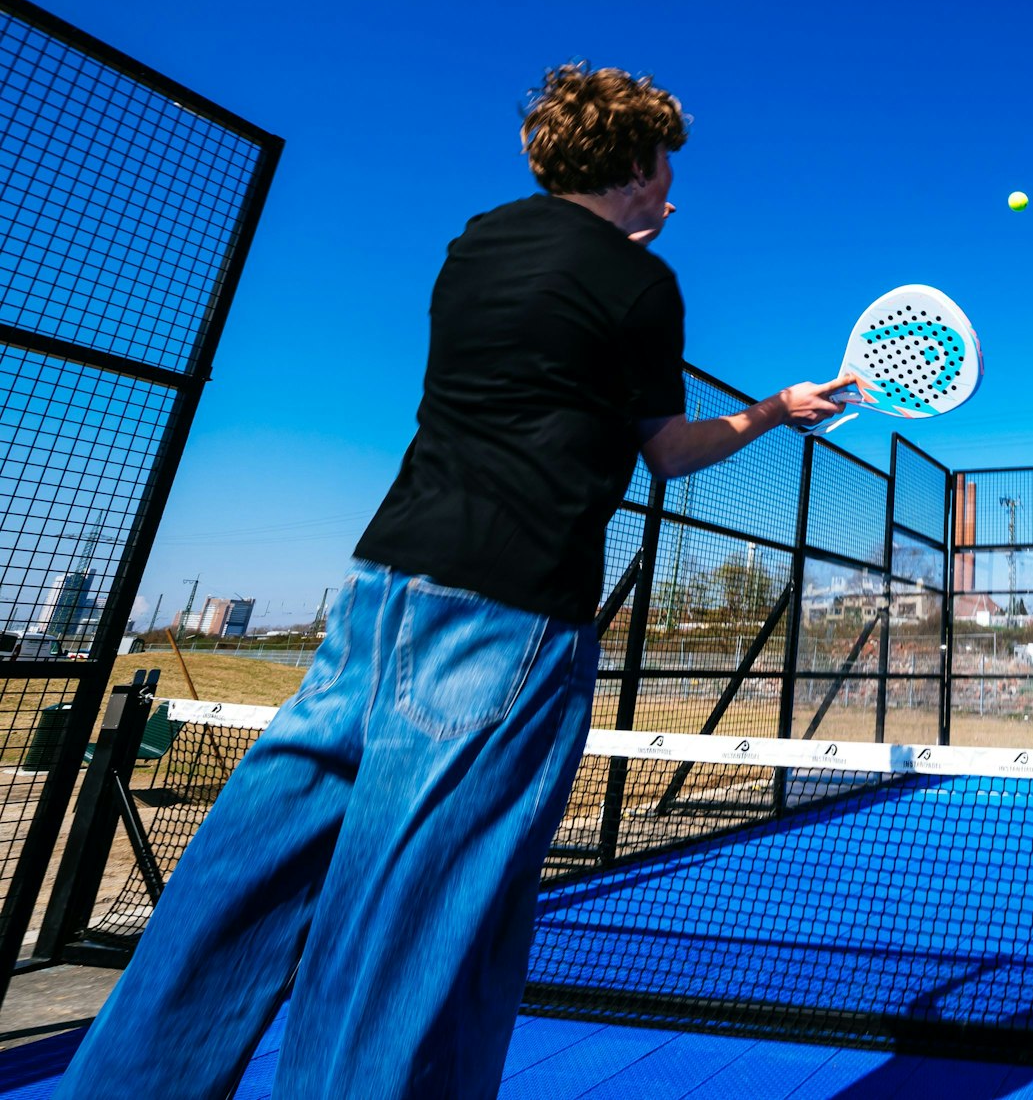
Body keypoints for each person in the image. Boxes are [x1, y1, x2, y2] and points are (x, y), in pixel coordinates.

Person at [56, 64, 853, 1099]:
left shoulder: (474, 243)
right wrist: (772, 411)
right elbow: (667, 451)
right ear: (634, 162)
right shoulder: (644, 287)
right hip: (508, 614)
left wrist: (613, 246)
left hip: (380, 595)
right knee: (414, 919)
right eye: (664, 168)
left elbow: (547, 335)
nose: (673, 191)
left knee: (238, 884)